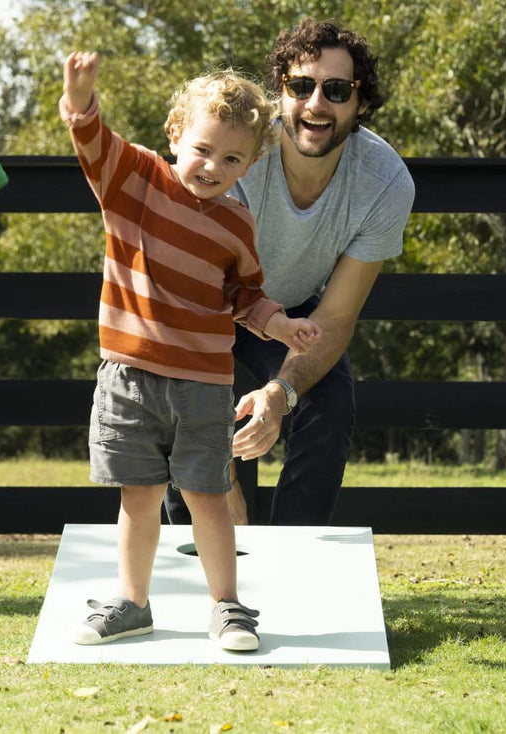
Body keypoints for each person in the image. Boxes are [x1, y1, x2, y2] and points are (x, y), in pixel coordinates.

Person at [59, 51, 322, 652]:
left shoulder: (237, 224)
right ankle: (131, 603)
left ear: (251, 164)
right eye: (202, 149)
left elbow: (245, 297)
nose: (212, 166)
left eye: (231, 159)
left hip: (204, 387)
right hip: (128, 379)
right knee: (139, 497)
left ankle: (228, 607)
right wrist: (80, 102)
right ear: (176, 135)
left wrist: (279, 325)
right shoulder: (134, 182)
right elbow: (93, 141)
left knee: (209, 495)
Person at [164, 18, 416, 527]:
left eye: (337, 89)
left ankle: (296, 566)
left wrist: (280, 395)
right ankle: (189, 566)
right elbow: (188, 305)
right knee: (177, 406)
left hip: (291, 309)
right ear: (281, 93)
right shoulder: (236, 155)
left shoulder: (385, 182)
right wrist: (221, 480)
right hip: (197, 308)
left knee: (328, 400)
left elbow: (336, 320)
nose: (316, 103)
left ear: (362, 102)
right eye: (300, 86)